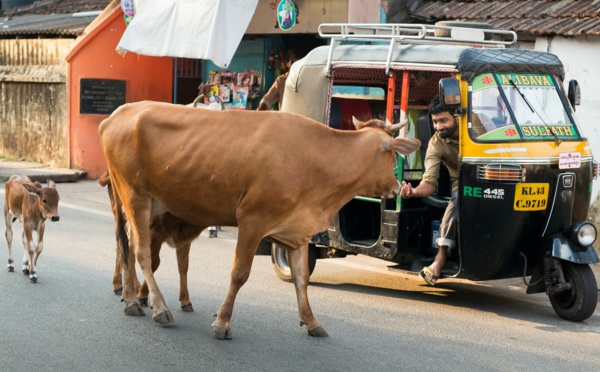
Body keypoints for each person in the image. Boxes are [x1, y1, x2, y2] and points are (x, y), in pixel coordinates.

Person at [400, 95, 459, 286]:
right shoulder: (436, 143)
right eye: (435, 122)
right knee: (460, 198)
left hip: (495, 177)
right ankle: (439, 260)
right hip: (463, 184)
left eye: (443, 120)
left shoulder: (480, 126)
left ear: (458, 117)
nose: (439, 126)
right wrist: (414, 192)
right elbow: (430, 182)